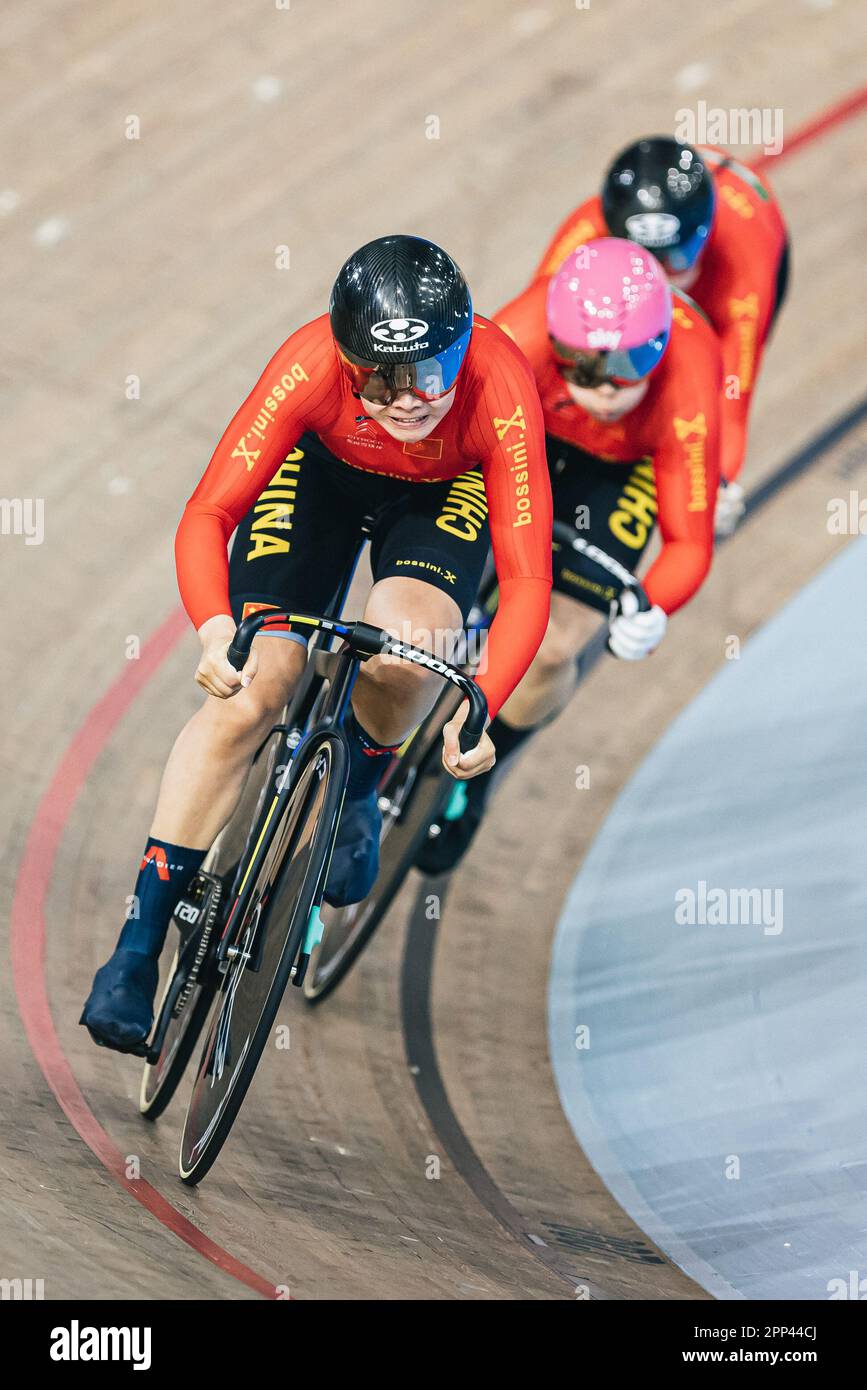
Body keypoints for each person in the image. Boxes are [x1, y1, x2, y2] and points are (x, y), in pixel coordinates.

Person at [81, 234, 553, 1052]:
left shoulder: (502, 389)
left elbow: (526, 582)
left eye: (430, 373)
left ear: (463, 347)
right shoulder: (305, 366)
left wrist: (483, 706)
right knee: (252, 691)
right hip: (319, 479)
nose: (408, 401)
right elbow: (209, 513)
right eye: (377, 376)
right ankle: (136, 949)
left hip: (441, 497)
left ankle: (360, 789)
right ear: (343, 360)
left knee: (409, 653)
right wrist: (215, 626)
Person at [417, 236, 721, 875]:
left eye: (630, 364)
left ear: (661, 348)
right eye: (584, 367)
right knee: (430, 596)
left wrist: (648, 609)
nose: (606, 390)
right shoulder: (521, 335)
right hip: (526, 434)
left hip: (620, 474)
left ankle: (478, 774)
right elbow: (446, 434)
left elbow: (689, 540)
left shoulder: (692, 374)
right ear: (556, 346)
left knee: (552, 648)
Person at [534, 136, 789, 537]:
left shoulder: (742, 269)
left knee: (682, 386)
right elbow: (539, 329)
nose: (656, 280)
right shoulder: (588, 228)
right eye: (640, 264)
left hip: (754, 241)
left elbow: (731, 399)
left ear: (703, 242)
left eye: (674, 264)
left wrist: (716, 482)